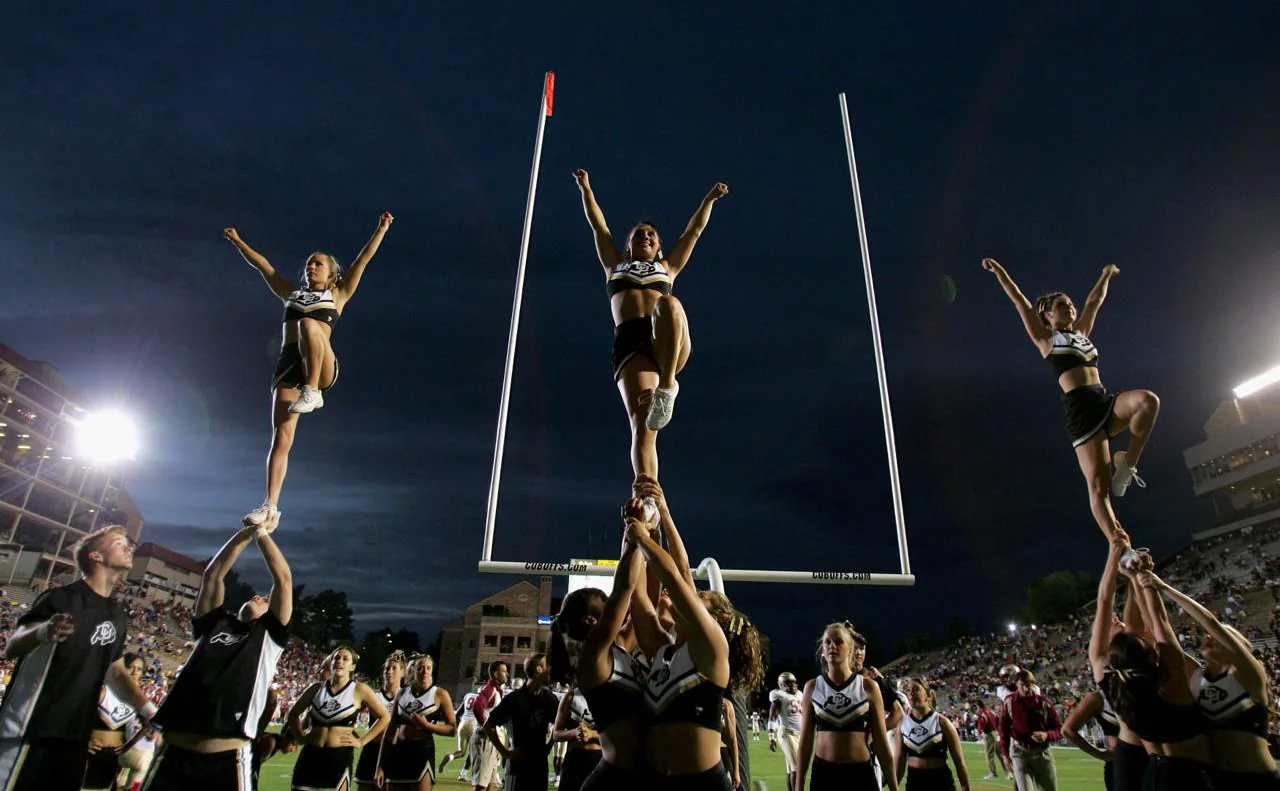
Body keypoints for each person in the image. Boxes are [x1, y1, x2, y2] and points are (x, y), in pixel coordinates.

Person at [225, 213, 394, 528]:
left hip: (322, 366)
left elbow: (363, 260)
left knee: (308, 325)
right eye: (308, 264)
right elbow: (265, 267)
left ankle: (313, 390)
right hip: (289, 364)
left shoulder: (338, 294)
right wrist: (237, 241)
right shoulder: (291, 294)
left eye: (318, 263)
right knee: (281, 438)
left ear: (331, 273)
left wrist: (382, 228)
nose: (311, 266)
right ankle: (270, 506)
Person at [982, 258, 1160, 540]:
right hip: (1081, 409)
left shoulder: (1082, 334)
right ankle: (1118, 541)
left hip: (1103, 400)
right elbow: (1019, 300)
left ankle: (1127, 463)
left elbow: (1093, 303)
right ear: (1047, 316)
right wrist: (999, 271)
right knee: (1098, 488)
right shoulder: (1046, 339)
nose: (1070, 308)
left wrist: (1106, 275)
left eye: (1070, 304)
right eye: (1061, 305)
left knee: (1147, 401)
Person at [573, 169, 729, 477]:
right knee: (642, 421)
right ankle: (646, 492)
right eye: (638, 234)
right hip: (630, 342)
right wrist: (585, 188)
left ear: (658, 247)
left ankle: (668, 385)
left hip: (666, 340)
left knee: (668, 304)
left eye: (652, 235)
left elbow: (692, 232)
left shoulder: (667, 267)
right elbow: (598, 227)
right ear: (629, 245)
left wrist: (709, 199)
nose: (646, 235)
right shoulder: (614, 264)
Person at [0, 524, 155, 791]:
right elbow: (11, 647)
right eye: (118, 542)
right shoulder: (61, 598)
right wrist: (43, 632)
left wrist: (150, 711)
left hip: (75, 738)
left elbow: (116, 673)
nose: (128, 547)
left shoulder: (116, 615)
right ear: (95, 556)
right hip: (30, 731)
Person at [143, 517, 293, 790]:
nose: (260, 597)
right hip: (174, 755)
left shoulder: (269, 636)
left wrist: (261, 533)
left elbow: (283, 579)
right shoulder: (214, 623)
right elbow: (212, 575)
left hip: (228, 760)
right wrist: (244, 533)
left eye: (265, 601)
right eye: (257, 596)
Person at [625, 507, 735, 789]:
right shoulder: (663, 651)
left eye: (698, 597)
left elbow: (677, 578)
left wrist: (645, 535)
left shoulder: (711, 648)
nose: (690, 595)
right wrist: (632, 536)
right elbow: (636, 596)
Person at [1147, 571, 1279, 787]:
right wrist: (1143, 582)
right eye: (1209, 636)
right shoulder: (1197, 676)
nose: (1208, 636)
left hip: (1258, 780)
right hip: (1215, 780)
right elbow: (1159, 628)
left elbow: (1210, 622)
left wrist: (1163, 587)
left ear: (1237, 648)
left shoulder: (1249, 675)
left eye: (1217, 637)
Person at [1101, 553, 1214, 791]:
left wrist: (1134, 579)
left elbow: (1136, 629)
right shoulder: (1174, 683)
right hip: (1190, 775)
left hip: (1154, 776)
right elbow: (1159, 623)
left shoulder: (1120, 691)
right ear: (1152, 655)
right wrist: (1144, 578)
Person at [1079, 532, 1149, 791]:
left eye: (1118, 620)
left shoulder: (1137, 649)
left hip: (1162, 748)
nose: (1115, 620)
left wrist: (1134, 578)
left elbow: (1135, 621)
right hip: (1132, 752)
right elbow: (1104, 601)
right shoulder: (1102, 665)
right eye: (1110, 623)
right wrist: (1113, 555)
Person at [795, 622, 897, 791]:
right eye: (827, 642)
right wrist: (799, 785)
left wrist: (894, 787)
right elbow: (806, 741)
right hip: (824, 775)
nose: (832, 646)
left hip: (861, 775)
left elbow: (880, 741)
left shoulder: (868, 687)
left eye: (839, 641)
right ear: (822, 651)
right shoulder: (812, 688)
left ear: (850, 649)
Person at [288, 645, 390, 791]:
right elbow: (292, 715)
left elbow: (385, 716)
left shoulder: (359, 689)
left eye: (345, 659)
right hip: (310, 756)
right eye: (336, 658)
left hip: (339, 759)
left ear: (352, 667)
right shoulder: (316, 689)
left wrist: (361, 741)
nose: (339, 661)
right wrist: (300, 737)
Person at [376, 654, 456, 791]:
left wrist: (427, 725)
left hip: (422, 751)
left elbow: (452, 730)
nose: (424, 671)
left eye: (428, 668)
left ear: (432, 671)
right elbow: (390, 731)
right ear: (413, 671)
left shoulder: (440, 694)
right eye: (420, 668)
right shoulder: (401, 694)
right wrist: (380, 766)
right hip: (399, 751)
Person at [483, 653, 561, 791]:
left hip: (540, 766)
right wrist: (505, 752)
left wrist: (548, 746)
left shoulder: (549, 698)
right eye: (547, 666)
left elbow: (560, 724)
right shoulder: (514, 699)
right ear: (539, 669)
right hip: (518, 766)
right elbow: (489, 725)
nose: (551, 670)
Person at [82, 651, 149, 791]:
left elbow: (148, 725)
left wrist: (128, 745)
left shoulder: (137, 700)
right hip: (89, 755)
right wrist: (82, 741)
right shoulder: (103, 691)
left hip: (111, 760)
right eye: (130, 667)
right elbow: (76, 715)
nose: (135, 672)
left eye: (139, 669)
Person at [894, 677, 970, 791]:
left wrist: (965, 787)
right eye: (908, 690)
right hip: (914, 782)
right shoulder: (902, 725)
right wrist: (893, 787)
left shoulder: (942, 722)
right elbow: (899, 761)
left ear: (927, 695)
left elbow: (959, 761)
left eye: (916, 689)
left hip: (940, 781)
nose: (911, 693)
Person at [998, 669, 1062, 791]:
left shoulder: (1044, 704)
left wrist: (1046, 735)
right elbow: (1003, 729)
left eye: (1029, 685)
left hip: (1042, 753)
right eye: (1022, 685)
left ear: (1033, 684)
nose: (1026, 689)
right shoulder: (1009, 702)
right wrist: (1005, 754)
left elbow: (1059, 730)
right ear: (1016, 684)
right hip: (1019, 752)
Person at [355, 651, 406, 791]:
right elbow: (349, 716)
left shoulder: (407, 697)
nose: (389, 671)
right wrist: (356, 738)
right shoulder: (372, 695)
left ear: (403, 672)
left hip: (395, 753)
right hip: (371, 752)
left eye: (394, 668)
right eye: (386, 668)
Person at [551, 683, 601, 791]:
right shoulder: (571, 696)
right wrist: (574, 732)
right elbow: (555, 734)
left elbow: (620, 736)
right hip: (574, 760)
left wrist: (592, 734)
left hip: (599, 760)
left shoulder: (610, 696)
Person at [469, 661, 509, 791]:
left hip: (490, 741)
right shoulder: (489, 689)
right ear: (496, 674)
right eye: (504, 671)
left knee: (490, 784)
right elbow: (477, 707)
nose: (507, 674)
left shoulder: (496, 689)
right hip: (484, 740)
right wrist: (487, 726)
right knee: (480, 785)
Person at [770, 671, 804, 791]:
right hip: (786, 733)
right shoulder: (778, 695)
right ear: (781, 685)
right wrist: (771, 737)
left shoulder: (800, 694)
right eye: (789, 683)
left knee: (791, 768)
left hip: (799, 734)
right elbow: (772, 716)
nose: (793, 685)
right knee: (797, 767)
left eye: (794, 682)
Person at [437, 683, 478, 782]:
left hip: (463, 723)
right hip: (474, 725)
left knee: (461, 752)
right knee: (474, 751)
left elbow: (458, 713)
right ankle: (463, 774)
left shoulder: (468, 696)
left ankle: (450, 756)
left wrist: (456, 726)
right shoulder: (483, 698)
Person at [974, 701, 1003, 781]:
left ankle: (993, 773)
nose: (977, 709)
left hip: (989, 734)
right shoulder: (990, 712)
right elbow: (998, 719)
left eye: (977, 707)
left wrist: (980, 731)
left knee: (989, 755)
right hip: (995, 733)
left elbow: (982, 725)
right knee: (1000, 753)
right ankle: (1008, 772)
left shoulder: (983, 714)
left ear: (979, 707)